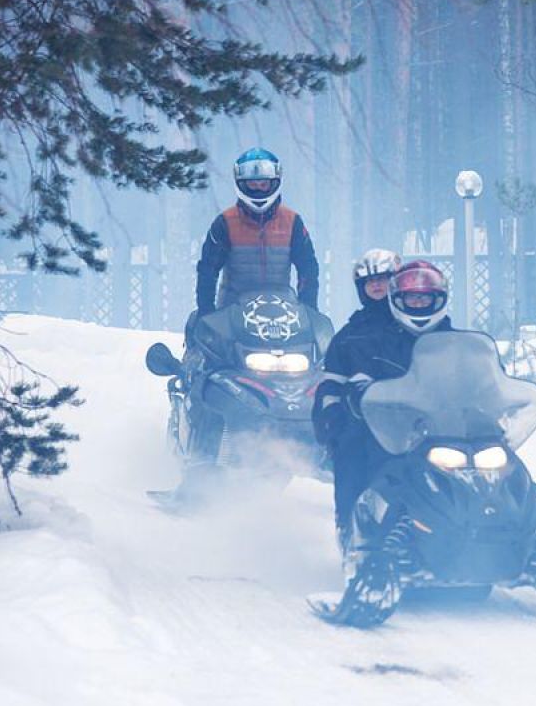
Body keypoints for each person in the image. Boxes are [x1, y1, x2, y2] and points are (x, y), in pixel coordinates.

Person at [312, 259, 453, 546]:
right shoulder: (358, 334)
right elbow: (338, 381)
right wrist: (336, 413)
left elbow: (472, 375)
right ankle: (354, 534)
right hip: (380, 424)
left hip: (440, 423)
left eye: (383, 280)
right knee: (353, 451)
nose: (376, 286)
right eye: (369, 281)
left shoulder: (446, 337)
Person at [194, 147, 319, 317]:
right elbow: (208, 270)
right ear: (241, 184)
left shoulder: (292, 222)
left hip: (283, 314)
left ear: (274, 183)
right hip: (231, 315)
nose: (258, 189)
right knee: (198, 328)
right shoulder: (225, 222)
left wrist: (308, 310)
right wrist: (206, 312)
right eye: (252, 184)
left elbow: (308, 269)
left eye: (263, 184)